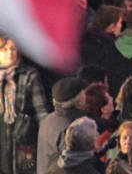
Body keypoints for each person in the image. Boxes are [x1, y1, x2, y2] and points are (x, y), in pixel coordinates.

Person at [0, 37, 49, 174]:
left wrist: (46, 137)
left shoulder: (29, 75)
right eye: (4, 49)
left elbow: (41, 111)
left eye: (13, 49)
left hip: (22, 140)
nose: (9, 52)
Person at [37, 78, 88, 174]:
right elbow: (72, 164)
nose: (86, 97)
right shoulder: (71, 127)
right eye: (84, 93)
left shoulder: (47, 120)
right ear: (79, 100)